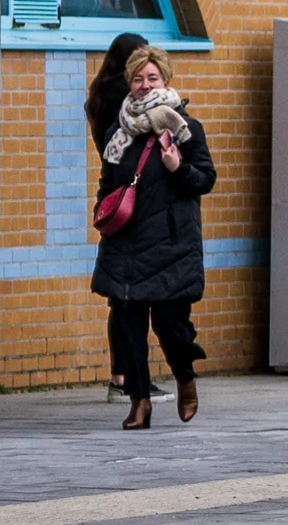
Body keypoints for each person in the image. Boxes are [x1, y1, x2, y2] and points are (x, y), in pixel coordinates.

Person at [93, 52, 214, 428]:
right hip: (125, 242)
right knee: (126, 327)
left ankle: (185, 377)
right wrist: (103, 208)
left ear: (165, 81)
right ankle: (140, 402)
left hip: (170, 243)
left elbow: (206, 179)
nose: (145, 85)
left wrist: (179, 168)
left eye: (152, 78)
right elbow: (108, 181)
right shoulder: (119, 132)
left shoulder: (184, 126)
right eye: (138, 79)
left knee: (171, 327)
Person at [84, 33, 155, 399]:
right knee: (131, 298)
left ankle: (122, 376)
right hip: (133, 192)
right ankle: (127, 378)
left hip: (115, 193)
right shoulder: (123, 102)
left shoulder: (99, 96)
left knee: (122, 297)